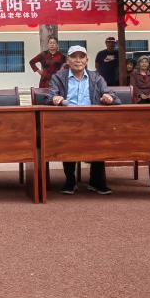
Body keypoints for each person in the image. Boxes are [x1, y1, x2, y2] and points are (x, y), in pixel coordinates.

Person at [47, 45, 119, 195]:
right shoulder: (58, 77)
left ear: (87, 60)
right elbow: (50, 96)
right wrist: (55, 98)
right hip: (67, 121)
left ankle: (96, 181)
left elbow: (112, 95)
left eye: (81, 57)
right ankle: (70, 181)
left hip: (93, 122)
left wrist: (109, 98)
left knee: (100, 137)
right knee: (66, 137)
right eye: (74, 57)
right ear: (68, 60)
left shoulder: (96, 77)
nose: (78, 60)